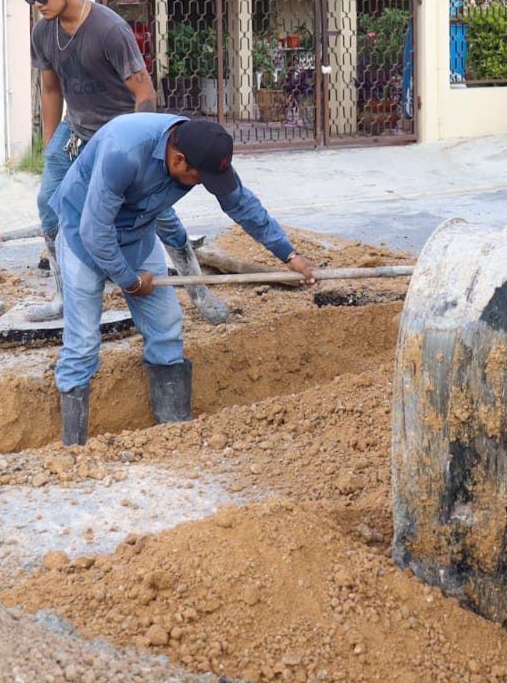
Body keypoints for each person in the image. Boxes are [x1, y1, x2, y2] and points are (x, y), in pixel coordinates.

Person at [50, 113, 316, 445]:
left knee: (166, 327)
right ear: (177, 159)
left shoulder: (200, 152)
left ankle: (175, 437)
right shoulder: (124, 150)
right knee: (84, 341)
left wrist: (289, 254)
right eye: (198, 178)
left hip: (136, 235)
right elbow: (95, 230)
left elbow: (242, 205)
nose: (203, 184)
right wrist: (129, 281)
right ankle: (73, 450)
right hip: (82, 234)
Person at [14, 0, 226, 324]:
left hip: (120, 135)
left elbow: (144, 93)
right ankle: (62, 298)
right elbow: (50, 89)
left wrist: (143, 156)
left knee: (158, 213)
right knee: (50, 204)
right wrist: (51, 147)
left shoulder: (109, 29)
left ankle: (198, 292)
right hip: (75, 131)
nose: (37, 4)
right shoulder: (43, 31)